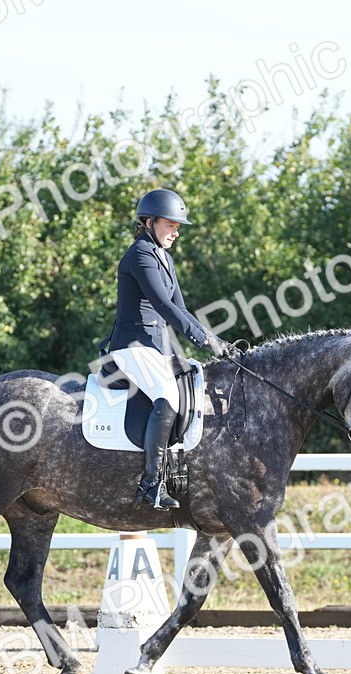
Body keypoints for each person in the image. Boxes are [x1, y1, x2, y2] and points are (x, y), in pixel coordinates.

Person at [104, 189, 238, 510]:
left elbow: (181, 307)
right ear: (148, 222)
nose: (176, 232)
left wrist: (211, 339)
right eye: (170, 225)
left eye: (178, 227)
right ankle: (151, 483)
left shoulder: (165, 257)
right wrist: (203, 338)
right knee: (168, 399)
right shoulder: (140, 254)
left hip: (157, 347)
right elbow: (164, 306)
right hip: (133, 345)